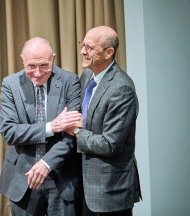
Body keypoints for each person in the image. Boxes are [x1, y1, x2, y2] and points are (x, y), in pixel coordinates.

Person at [0, 37, 83, 216]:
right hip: (23, 177)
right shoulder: (10, 84)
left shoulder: (70, 81)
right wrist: (51, 127)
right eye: (31, 66)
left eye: (44, 65)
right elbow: (9, 132)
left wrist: (46, 163)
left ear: (53, 58)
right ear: (22, 60)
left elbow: (72, 134)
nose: (37, 73)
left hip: (61, 177)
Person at [66, 26, 142, 216]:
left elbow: (110, 144)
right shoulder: (86, 77)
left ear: (109, 52)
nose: (83, 51)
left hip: (110, 191)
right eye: (82, 45)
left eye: (90, 48)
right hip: (85, 186)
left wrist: (75, 131)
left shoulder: (122, 88)